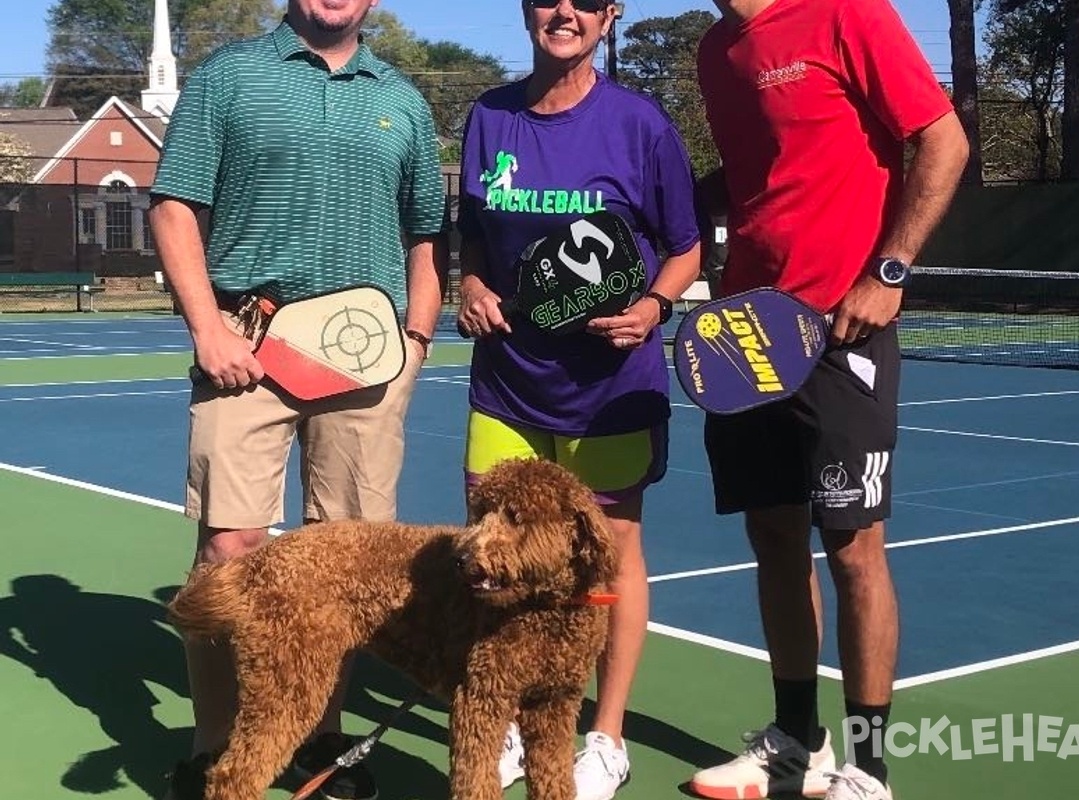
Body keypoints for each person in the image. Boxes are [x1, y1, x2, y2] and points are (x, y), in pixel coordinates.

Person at [148, 1, 448, 799]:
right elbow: (175, 205)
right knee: (227, 554)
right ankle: (218, 748)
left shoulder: (403, 101)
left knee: (342, 567)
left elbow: (426, 238)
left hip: (367, 358)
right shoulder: (228, 76)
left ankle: (320, 743)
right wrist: (208, 327)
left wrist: (415, 343)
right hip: (247, 343)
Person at [686, 1, 969, 799]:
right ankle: (794, 743)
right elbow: (757, 173)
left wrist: (889, 270)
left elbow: (942, 138)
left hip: (843, 331)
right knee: (773, 537)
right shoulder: (717, 50)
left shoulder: (847, 12)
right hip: (745, 335)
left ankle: (868, 770)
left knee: (853, 550)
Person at [455, 2, 702, 798]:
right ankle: (509, 726)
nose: (566, 10)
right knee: (494, 564)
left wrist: (656, 306)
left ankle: (606, 735)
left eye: (586, 0)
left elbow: (683, 246)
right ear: (526, 10)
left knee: (610, 562)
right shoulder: (488, 117)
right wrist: (470, 283)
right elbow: (474, 238)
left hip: (610, 395)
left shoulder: (640, 124)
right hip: (506, 387)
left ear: (609, 15)